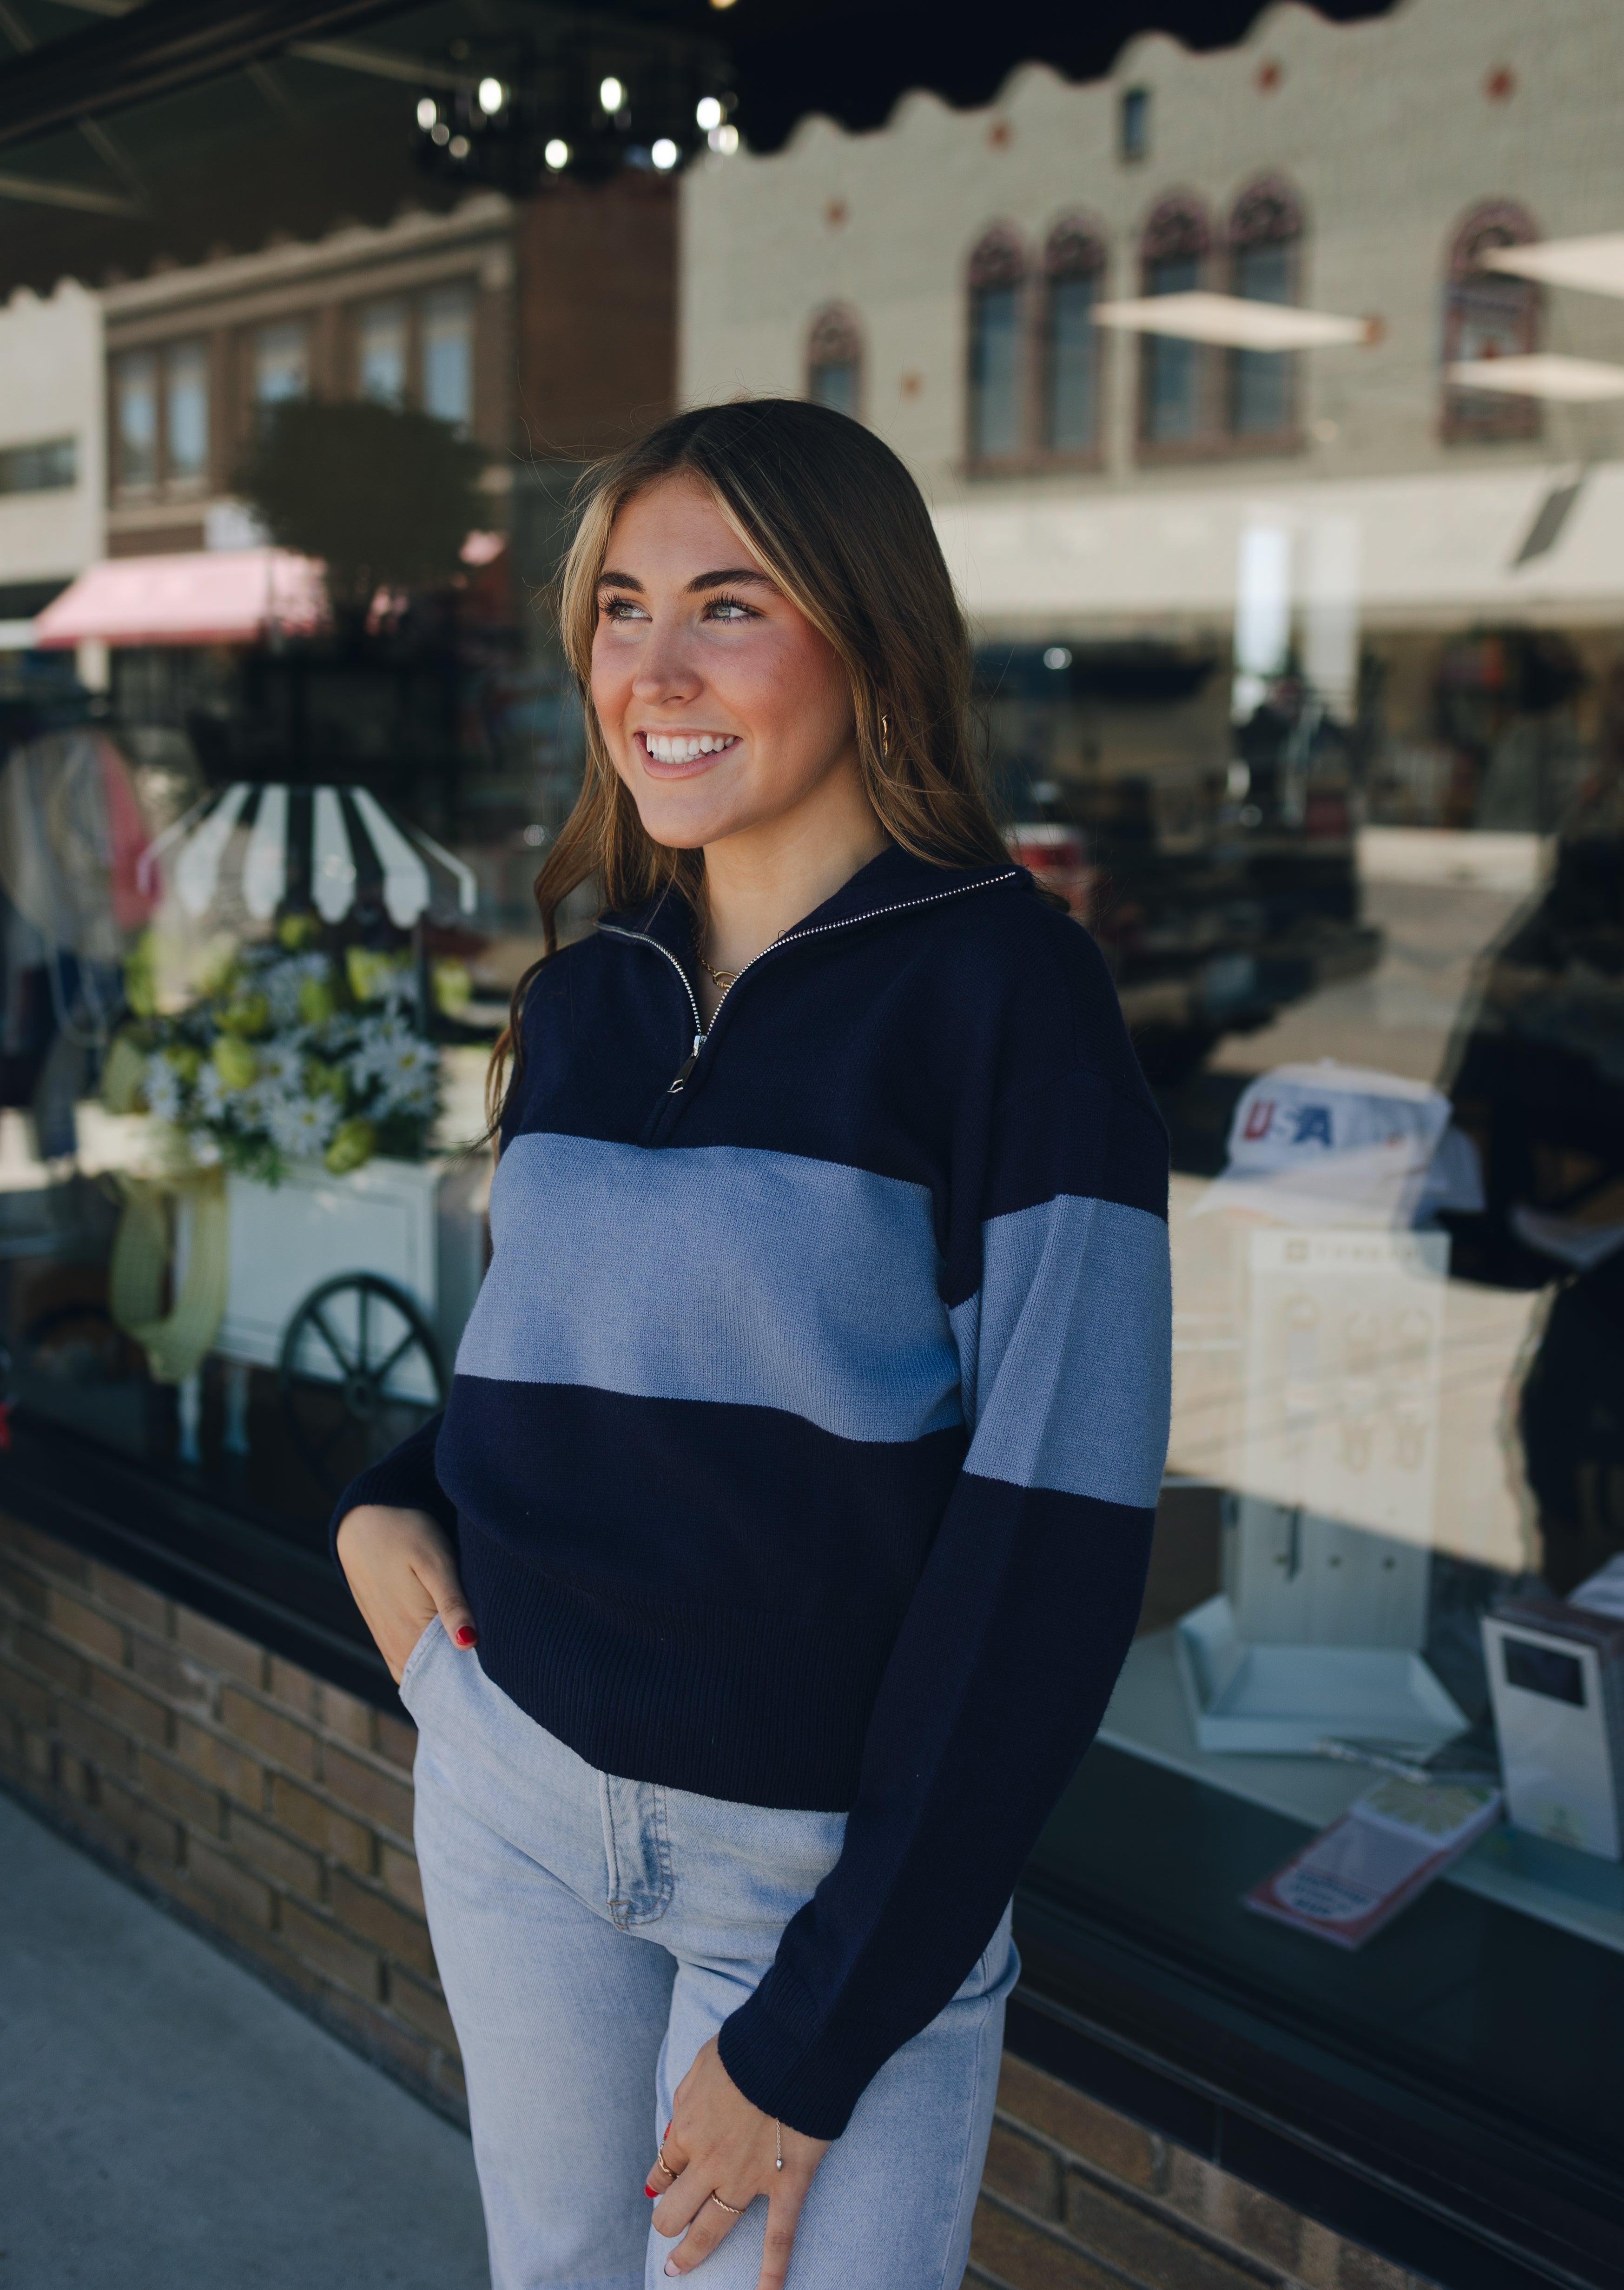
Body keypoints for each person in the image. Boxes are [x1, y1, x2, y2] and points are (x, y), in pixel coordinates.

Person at [334, 398, 1171, 2290]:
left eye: (729, 605)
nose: (656, 669)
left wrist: (814, 2027)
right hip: (518, 1800)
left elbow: (1052, 1539)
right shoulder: (587, 990)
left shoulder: (1008, 998)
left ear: (868, 638)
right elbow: (547, 1365)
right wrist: (381, 1518)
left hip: (815, 1879)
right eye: (622, 609)